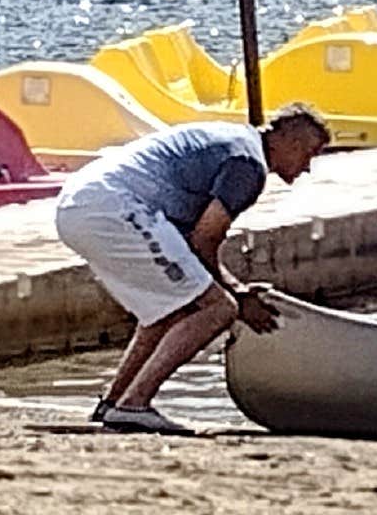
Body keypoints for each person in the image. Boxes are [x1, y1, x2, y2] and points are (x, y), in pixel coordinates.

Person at [54, 103, 333, 431]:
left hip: (77, 206)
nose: (307, 168)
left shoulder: (233, 139)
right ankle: (134, 404)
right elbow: (204, 239)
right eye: (310, 154)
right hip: (114, 208)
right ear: (292, 143)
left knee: (170, 309)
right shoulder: (248, 166)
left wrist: (231, 288)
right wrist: (238, 295)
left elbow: (193, 245)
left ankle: (113, 404)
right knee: (219, 309)